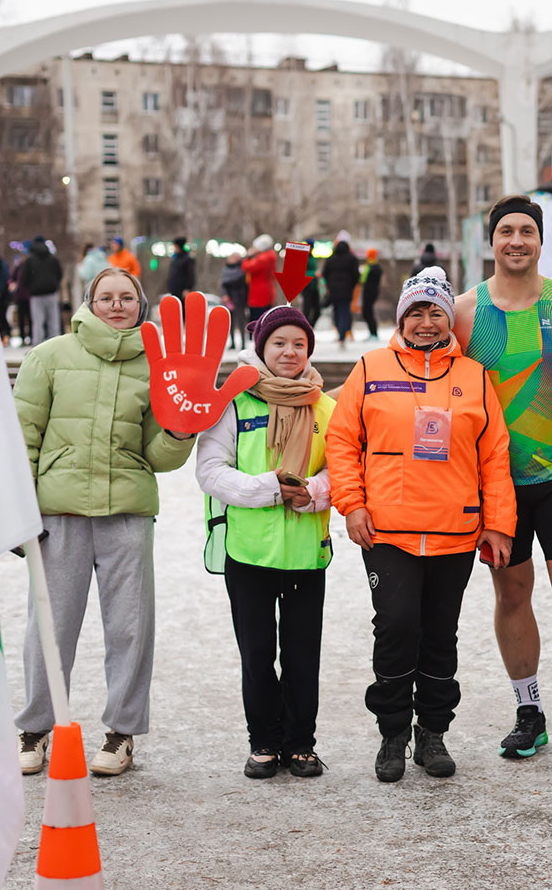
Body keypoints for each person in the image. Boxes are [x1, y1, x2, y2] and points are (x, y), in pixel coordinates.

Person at [326, 266, 516, 782]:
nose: (426, 322)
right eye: (416, 312)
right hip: (387, 530)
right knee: (396, 626)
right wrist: (352, 503)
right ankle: (393, 732)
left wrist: (498, 524)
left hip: (456, 531)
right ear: (401, 318)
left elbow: (495, 456)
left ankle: (432, 733)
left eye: (436, 312)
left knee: (439, 634)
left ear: (449, 318)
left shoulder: (473, 376)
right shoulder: (370, 367)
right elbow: (341, 440)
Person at [13, 266, 195, 777]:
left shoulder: (157, 366)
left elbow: (158, 454)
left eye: (127, 298)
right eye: (107, 297)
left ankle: (121, 733)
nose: (117, 305)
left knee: (130, 629)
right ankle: (35, 728)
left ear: (141, 305)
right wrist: (20, 512)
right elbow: (22, 437)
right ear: (89, 303)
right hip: (60, 514)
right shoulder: (49, 357)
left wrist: (180, 432)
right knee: (49, 628)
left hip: (126, 516)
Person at [453, 194, 552, 774]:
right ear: (490, 241)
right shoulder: (464, 313)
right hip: (496, 483)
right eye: (506, 232)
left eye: (527, 232)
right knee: (512, 595)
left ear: (540, 241)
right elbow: (419, 373)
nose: (516, 241)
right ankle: (529, 712)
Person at [197, 306, 334, 779]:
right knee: (257, 655)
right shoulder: (235, 403)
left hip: (305, 554)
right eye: (279, 343)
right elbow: (210, 470)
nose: (289, 352)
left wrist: (314, 492)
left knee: (302, 656)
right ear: (261, 348)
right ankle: (264, 741)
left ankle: (300, 744)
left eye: (299, 344)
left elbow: (342, 469)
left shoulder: (325, 407)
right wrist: (270, 489)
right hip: (249, 553)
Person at [21, 235, 64, 346]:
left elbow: (24, 278)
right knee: (53, 321)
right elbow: (59, 274)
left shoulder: (29, 260)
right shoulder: (53, 259)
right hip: (51, 293)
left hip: (36, 295)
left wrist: (32, 287)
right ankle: (55, 345)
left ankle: (37, 345)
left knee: (37, 322)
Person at [321, 234, 360, 348]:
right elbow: (356, 275)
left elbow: (324, 273)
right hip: (347, 289)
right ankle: (342, 335)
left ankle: (339, 332)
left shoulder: (331, 258)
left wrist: (329, 285)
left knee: (336, 311)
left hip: (333, 290)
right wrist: (352, 285)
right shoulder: (352, 259)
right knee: (345, 311)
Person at [242, 234, 276, 323]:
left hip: (259, 295)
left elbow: (247, 267)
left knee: (257, 319)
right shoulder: (268, 256)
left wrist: (248, 257)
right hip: (263, 293)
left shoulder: (264, 258)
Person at [220, 251, 249, 350]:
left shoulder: (243, 269)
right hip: (228, 299)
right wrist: (224, 295)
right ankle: (232, 342)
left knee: (241, 321)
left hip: (240, 298)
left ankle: (243, 343)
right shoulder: (226, 270)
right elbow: (223, 285)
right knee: (230, 322)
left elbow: (239, 281)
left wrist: (227, 282)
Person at [9, 251, 32, 346]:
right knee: (23, 318)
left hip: (27, 296)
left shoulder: (26, 267)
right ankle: (23, 337)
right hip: (22, 296)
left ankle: (29, 336)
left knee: (28, 318)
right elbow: (12, 279)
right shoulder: (19, 268)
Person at [360, 248, 383, 340]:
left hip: (368, 292)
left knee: (367, 312)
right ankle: (373, 333)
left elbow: (362, 280)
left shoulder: (369, 267)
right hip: (373, 291)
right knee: (368, 312)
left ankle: (373, 333)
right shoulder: (377, 267)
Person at [300, 239, 321, 327]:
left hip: (314, 287)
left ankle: (310, 327)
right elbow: (301, 273)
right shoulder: (303, 257)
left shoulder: (313, 257)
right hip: (306, 287)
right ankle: (305, 327)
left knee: (317, 311)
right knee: (307, 310)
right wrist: (314, 274)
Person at [167, 236, 196, 300]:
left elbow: (190, 275)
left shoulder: (187, 259)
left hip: (182, 292)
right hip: (174, 290)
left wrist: (187, 288)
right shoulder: (175, 258)